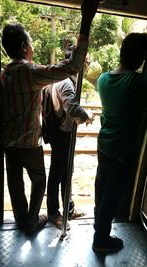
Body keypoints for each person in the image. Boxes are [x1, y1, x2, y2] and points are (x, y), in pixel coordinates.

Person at [0, 0, 99, 234]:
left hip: (8, 144)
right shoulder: (31, 72)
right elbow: (73, 66)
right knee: (39, 182)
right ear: (25, 46)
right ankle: (32, 221)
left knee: (14, 185)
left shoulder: (4, 75)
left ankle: (23, 220)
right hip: (30, 144)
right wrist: (85, 21)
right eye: (31, 43)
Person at [92, 32, 147, 253]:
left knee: (101, 189)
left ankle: (99, 227)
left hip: (104, 145)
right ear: (140, 58)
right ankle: (101, 240)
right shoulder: (135, 81)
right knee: (112, 197)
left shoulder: (103, 79)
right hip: (122, 152)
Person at [46, 48, 94, 230]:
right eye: (86, 63)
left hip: (61, 134)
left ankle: (68, 208)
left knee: (65, 173)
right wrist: (87, 116)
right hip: (62, 136)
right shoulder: (66, 82)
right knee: (58, 174)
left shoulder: (61, 79)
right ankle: (53, 213)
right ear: (78, 64)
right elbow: (72, 110)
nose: (87, 67)